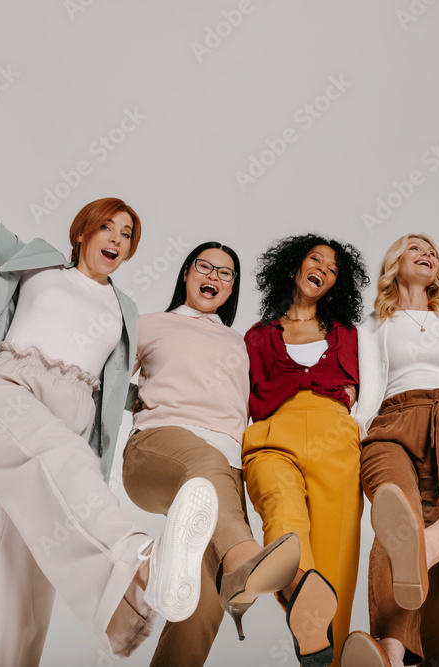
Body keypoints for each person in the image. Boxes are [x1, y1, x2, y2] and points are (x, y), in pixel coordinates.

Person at [0, 126, 218, 666]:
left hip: (71, 415)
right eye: (108, 226)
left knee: (28, 564)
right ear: (83, 231)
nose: (117, 239)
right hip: (6, 389)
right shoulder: (38, 262)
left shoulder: (124, 310)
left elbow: (130, 387)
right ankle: (144, 560)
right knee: (61, 460)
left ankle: (114, 609)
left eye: (127, 234)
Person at [121, 242, 300, 666]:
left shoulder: (241, 343)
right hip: (157, 449)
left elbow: (275, 391)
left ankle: (234, 571)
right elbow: (105, 379)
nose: (214, 277)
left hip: (225, 473)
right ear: (187, 273)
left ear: (232, 288)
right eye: (206, 267)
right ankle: (243, 558)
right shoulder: (150, 324)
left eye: (226, 273)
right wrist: (137, 399)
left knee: (200, 608)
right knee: (202, 467)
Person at [341, 234, 439, 667]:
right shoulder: (368, 326)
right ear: (394, 263)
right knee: (395, 515)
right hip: (390, 425)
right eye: (414, 248)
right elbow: (351, 378)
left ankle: (438, 657)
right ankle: (390, 650)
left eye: (433, 251)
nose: (426, 255)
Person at [242, 234, 370, 666]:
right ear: (295, 267)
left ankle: (324, 656)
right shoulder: (258, 336)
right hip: (273, 435)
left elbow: (388, 359)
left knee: (337, 557)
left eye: (334, 269)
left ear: (337, 284)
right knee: (284, 525)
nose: (324, 269)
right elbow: (235, 395)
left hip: (335, 437)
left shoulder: (348, 333)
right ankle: (305, 612)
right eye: (316, 260)